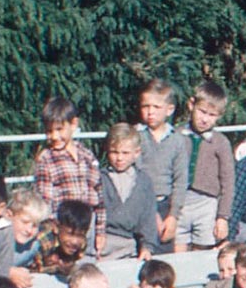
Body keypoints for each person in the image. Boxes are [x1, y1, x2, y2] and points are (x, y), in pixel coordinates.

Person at [33, 96, 105, 254]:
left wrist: (100, 231)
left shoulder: (87, 155)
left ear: (73, 124)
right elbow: (45, 201)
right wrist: (55, 230)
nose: (54, 136)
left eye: (59, 130)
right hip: (64, 228)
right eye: (49, 131)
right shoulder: (46, 159)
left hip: (87, 225)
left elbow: (98, 194)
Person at [174, 81, 235, 252]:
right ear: (191, 105)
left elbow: (228, 182)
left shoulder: (221, 142)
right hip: (181, 201)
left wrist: (222, 216)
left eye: (212, 115)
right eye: (201, 111)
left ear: (219, 116)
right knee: (178, 250)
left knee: (202, 251)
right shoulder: (177, 136)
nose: (204, 119)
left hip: (207, 204)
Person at [135, 79, 188, 253]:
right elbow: (137, 174)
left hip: (166, 205)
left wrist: (172, 216)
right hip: (141, 203)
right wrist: (151, 213)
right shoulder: (137, 137)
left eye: (156, 107)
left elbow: (180, 181)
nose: (150, 112)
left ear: (169, 110)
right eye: (145, 106)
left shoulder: (177, 140)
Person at [99, 124, 160, 261]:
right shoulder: (100, 178)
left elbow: (148, 218)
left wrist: (147, 246)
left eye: (125, 153)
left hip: (129, 245)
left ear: (136, 153)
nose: (119, 158)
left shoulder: (143, 182)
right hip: (102, 243)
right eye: (114, 152)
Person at [32, 199, 92, 278]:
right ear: (56, 227)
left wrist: (68, 266)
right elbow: (32, 270)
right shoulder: (41, 240)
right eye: (70, 234)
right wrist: (56, 267)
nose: (75, 241)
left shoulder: (81, 243)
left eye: (80, 235)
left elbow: (74, 261)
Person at [6, 189, 48, 288]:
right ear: (8, 216)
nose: (29, 230)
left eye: (35, 225)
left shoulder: (33, 245)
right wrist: (8, 272)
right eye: (25, 222)